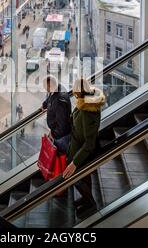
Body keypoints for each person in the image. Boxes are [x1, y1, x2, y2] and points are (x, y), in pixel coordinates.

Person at [63, 78, 105, 216]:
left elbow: (89, 143)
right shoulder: (83, 102)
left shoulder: (88, 112)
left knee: (78, 177)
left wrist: (75, 163)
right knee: (83, 178)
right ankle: (86, 199)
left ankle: (91, 203)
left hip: (83, 152)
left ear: (78, 92)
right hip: (76, 147)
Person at [41, 75, 71, 154]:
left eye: (45, 86)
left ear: (50, 86)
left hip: (61, 138)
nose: (44, 88)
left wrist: (53, 135)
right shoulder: (55, 90)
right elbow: (50, 99)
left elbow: (62, 124)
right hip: (57, 134)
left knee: (58, 159)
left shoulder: (60, 101)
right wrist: (44, 105)